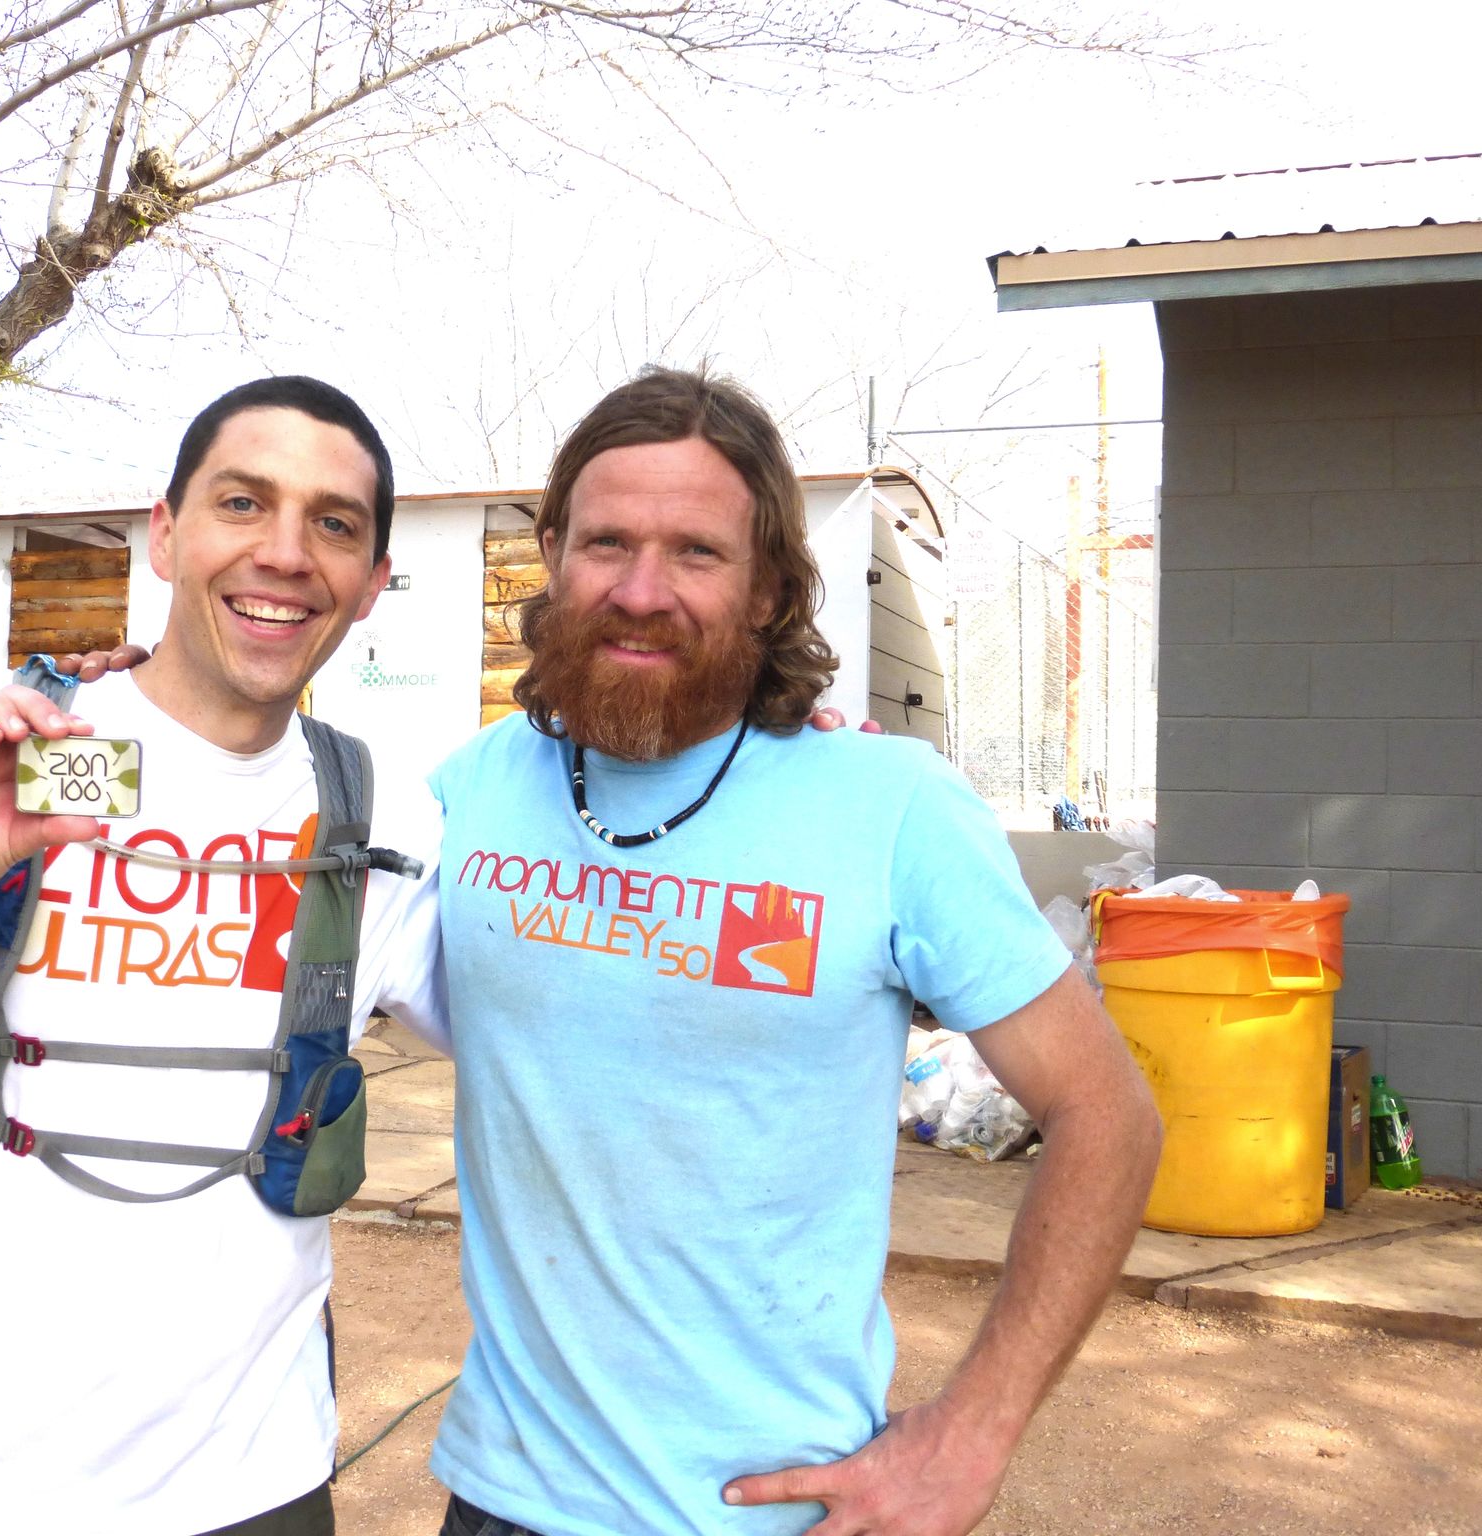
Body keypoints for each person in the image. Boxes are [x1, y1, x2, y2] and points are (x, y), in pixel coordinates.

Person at [422, 366, 1161, 1536]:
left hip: (773, 1511)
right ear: (554, 556)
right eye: (606, 544)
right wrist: (106, 710)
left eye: (697, 554)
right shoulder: (468, 795)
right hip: (499, 1499)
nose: (642, 591)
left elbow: (1106, 1114)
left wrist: (972, 1432)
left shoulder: (889, 806)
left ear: (768, 589)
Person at [0, 376, 451, 1536]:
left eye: (333, 523)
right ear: (165, 535)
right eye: (241, 502)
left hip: (250, 1497)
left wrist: (773, 763)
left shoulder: (382, 825)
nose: (283, 552)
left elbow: (564, 1018)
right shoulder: (4, 745)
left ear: (373, 582)